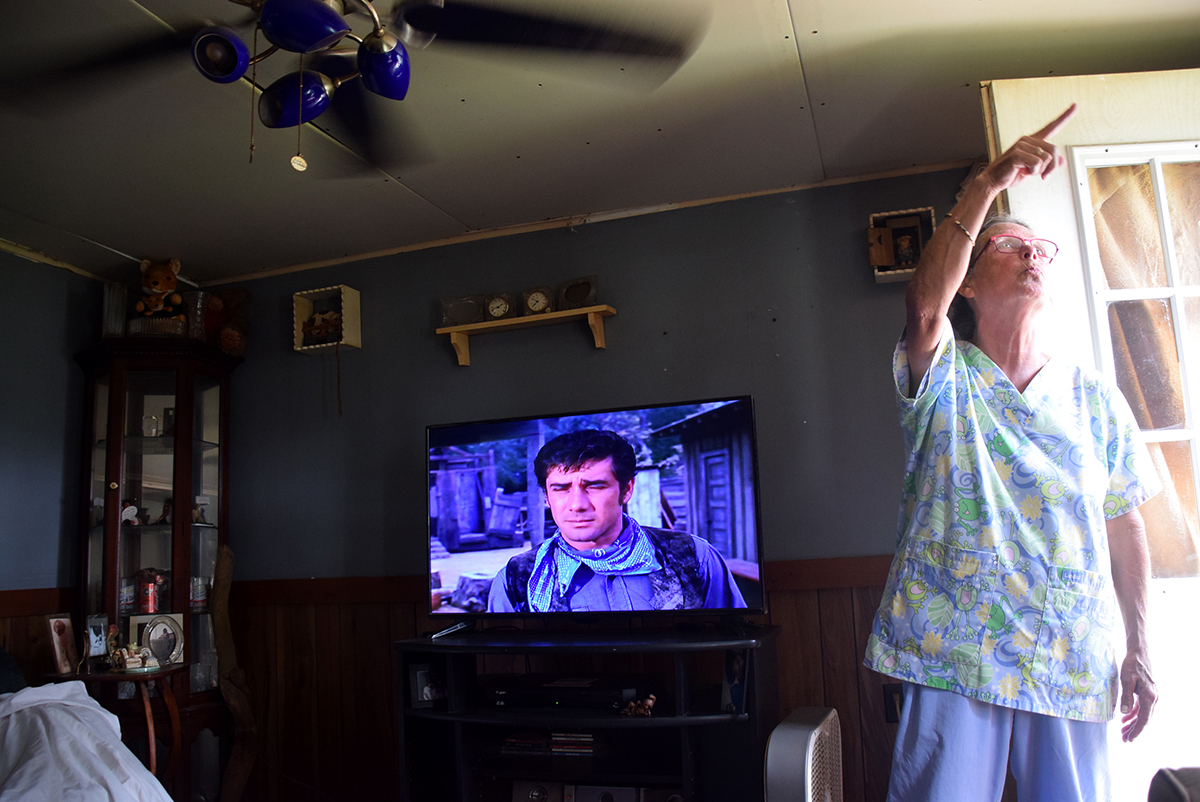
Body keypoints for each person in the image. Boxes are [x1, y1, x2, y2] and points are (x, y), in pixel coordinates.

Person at [862, 104, 1161, 802]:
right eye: (1008, 245)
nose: (1032, 254)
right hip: (952, 647)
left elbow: (1127, 524)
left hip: (1070, 648)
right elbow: (923, 308)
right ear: (968, 275)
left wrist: (1141, 648)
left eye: (1042, 249)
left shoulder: (1095, 397)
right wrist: (986, 185)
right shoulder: (944, 375)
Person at [487, 429, 747, 612]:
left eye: (595, 486)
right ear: (546, 496)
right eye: (561, 488)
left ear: (626, 490)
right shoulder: (518, 579)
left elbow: (734, 653)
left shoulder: (693, 556)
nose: (577, 504)